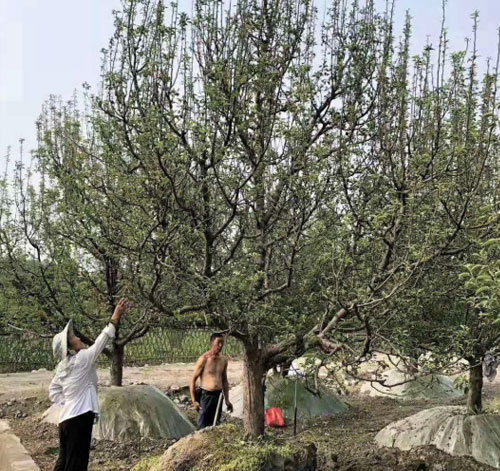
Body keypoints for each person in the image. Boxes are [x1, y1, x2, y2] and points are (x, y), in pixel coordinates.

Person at [49, 298, 130, 471]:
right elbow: (102, 340)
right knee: (76, 464)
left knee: (63, 462)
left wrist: (69, 401)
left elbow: (53, 391)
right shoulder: (82, 359)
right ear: (70, 348)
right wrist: (115, 317)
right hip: (79, 419)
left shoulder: (62, 367)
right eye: (74, 337)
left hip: (65, 420)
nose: (78, 338)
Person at [190, 332, 233, 429]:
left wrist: (227, 400)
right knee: (202, 424)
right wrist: (194, 401)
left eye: (222, 343)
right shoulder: (204, 359)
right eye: (218, 343)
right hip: (206, 395)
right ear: (212, 343)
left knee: (215, 423)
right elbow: (193, 380)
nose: (220, 345)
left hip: (218, 396)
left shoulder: (223, 360)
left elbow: (224, 381)